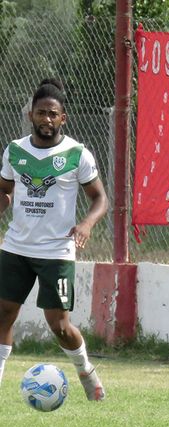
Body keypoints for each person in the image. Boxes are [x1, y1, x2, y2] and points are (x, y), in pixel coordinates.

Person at [0, 79, 107, 399]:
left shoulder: (77, 154)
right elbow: (4, 191)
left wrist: (86, 224)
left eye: (52, 114)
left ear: (63, 118)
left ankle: (85, 371)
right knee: (3, 314)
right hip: (16, 247)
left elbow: (100, 198)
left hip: (57, 251)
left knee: (59, 326)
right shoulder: (15, 151)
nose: (46, 119)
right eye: (41, 113)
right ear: (31, 115)